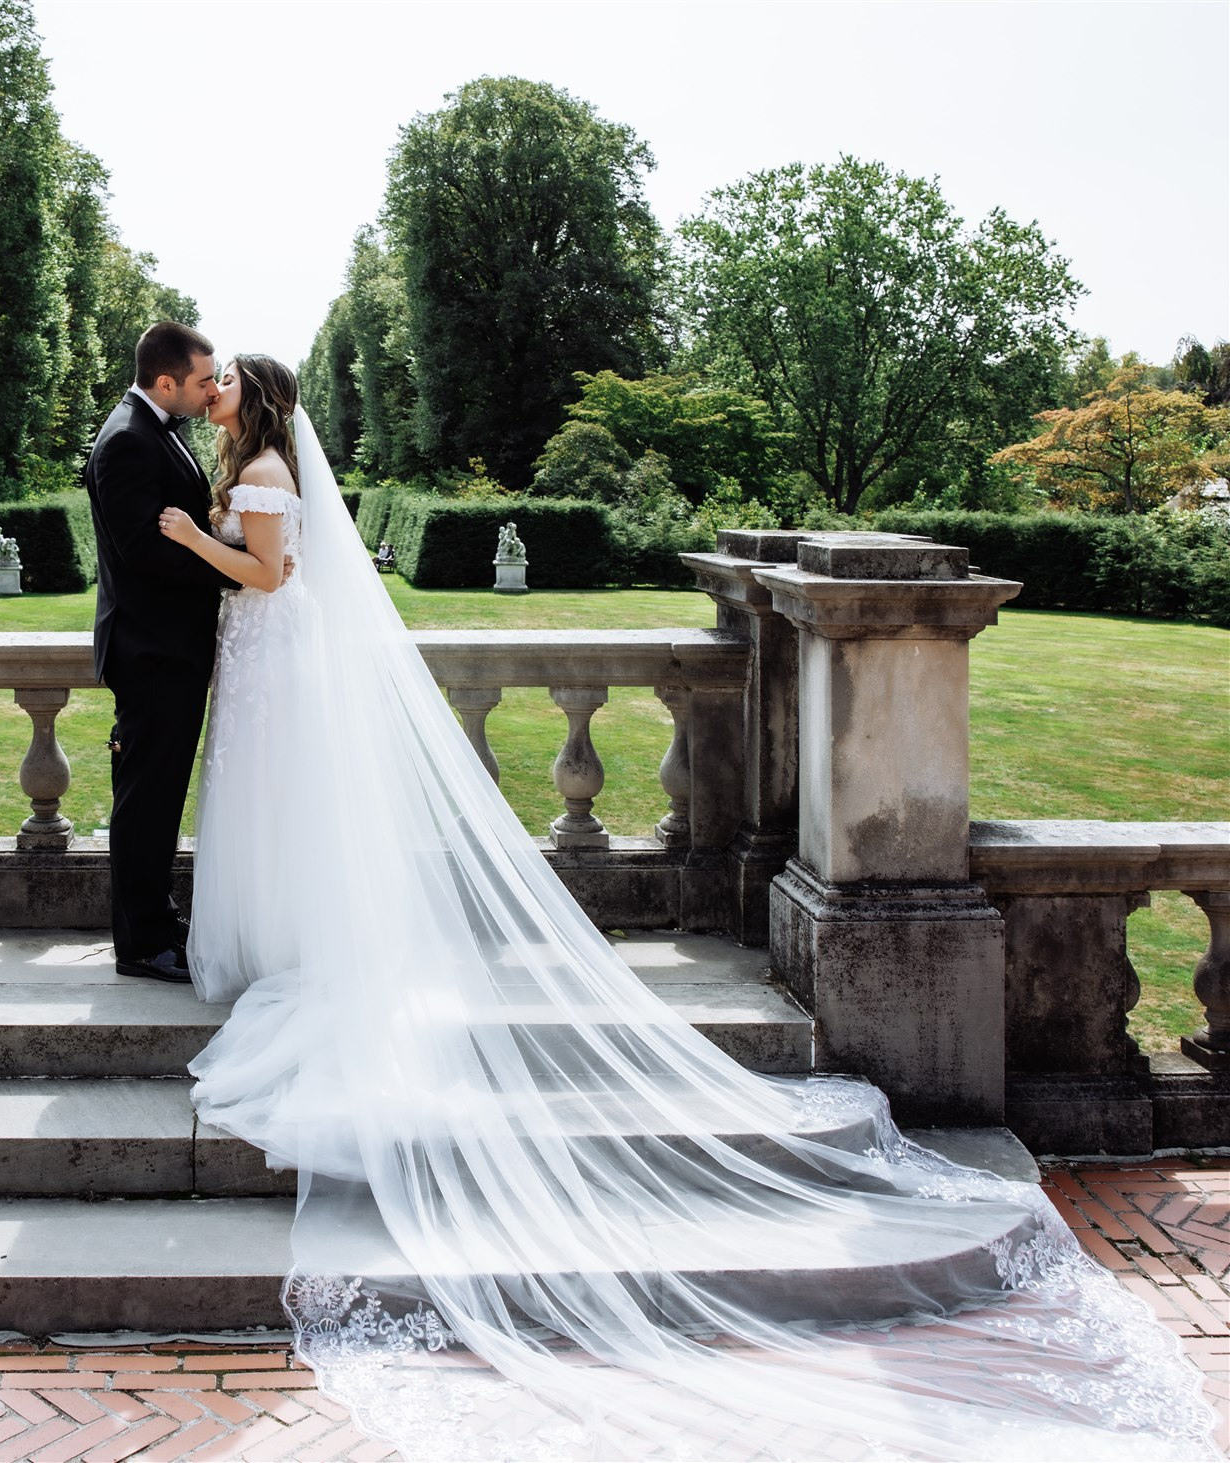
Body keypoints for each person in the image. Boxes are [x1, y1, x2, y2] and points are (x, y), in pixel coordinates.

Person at [153, 354, 1218, 1460]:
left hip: (274, 651)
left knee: (287, 818)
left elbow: (270, 575)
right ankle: (281, 941)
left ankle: (291, 950)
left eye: (225, 374)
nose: (213, 382)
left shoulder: (268, 461)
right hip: (267, 665)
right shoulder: (253, 456)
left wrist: (191, 539)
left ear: (258, 395)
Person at [82, 322, 238, 983]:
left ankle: (155, 922)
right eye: (203, 381)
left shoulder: (151, 431)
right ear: (165, 381)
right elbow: (144, 551)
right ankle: (142, 944)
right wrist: (236, 568)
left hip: (168, 648)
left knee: (158, 798)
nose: (211, 393)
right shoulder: (125, 440)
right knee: (145, 803)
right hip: (151, 653)